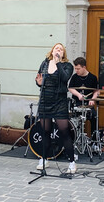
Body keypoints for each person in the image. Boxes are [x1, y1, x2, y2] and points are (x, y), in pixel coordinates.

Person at [35, 43, 76, 173]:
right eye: (56, 48)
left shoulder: (67, 66)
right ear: (52, 51)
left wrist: (58, 63)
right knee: (45, 131)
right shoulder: (44, 63)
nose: (58, 50)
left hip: (59, 101)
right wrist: (38, 83)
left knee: (64, 131)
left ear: (63, 54)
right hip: (45, 100)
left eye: (61, 49)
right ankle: (44, 158)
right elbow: (39, 80)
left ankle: (72, 162)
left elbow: (65, 78)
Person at [68, 57, 100, 133]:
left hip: (88, 105)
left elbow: (97, 91)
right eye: (75, 68)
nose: (76, 71)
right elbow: (70, 88)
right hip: (77, 104)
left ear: (84, 67)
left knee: (95, 118)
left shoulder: (93, 78)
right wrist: (79, 95)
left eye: (78, 69)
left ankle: (94, 140)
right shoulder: (74, 77)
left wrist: (93, 99)